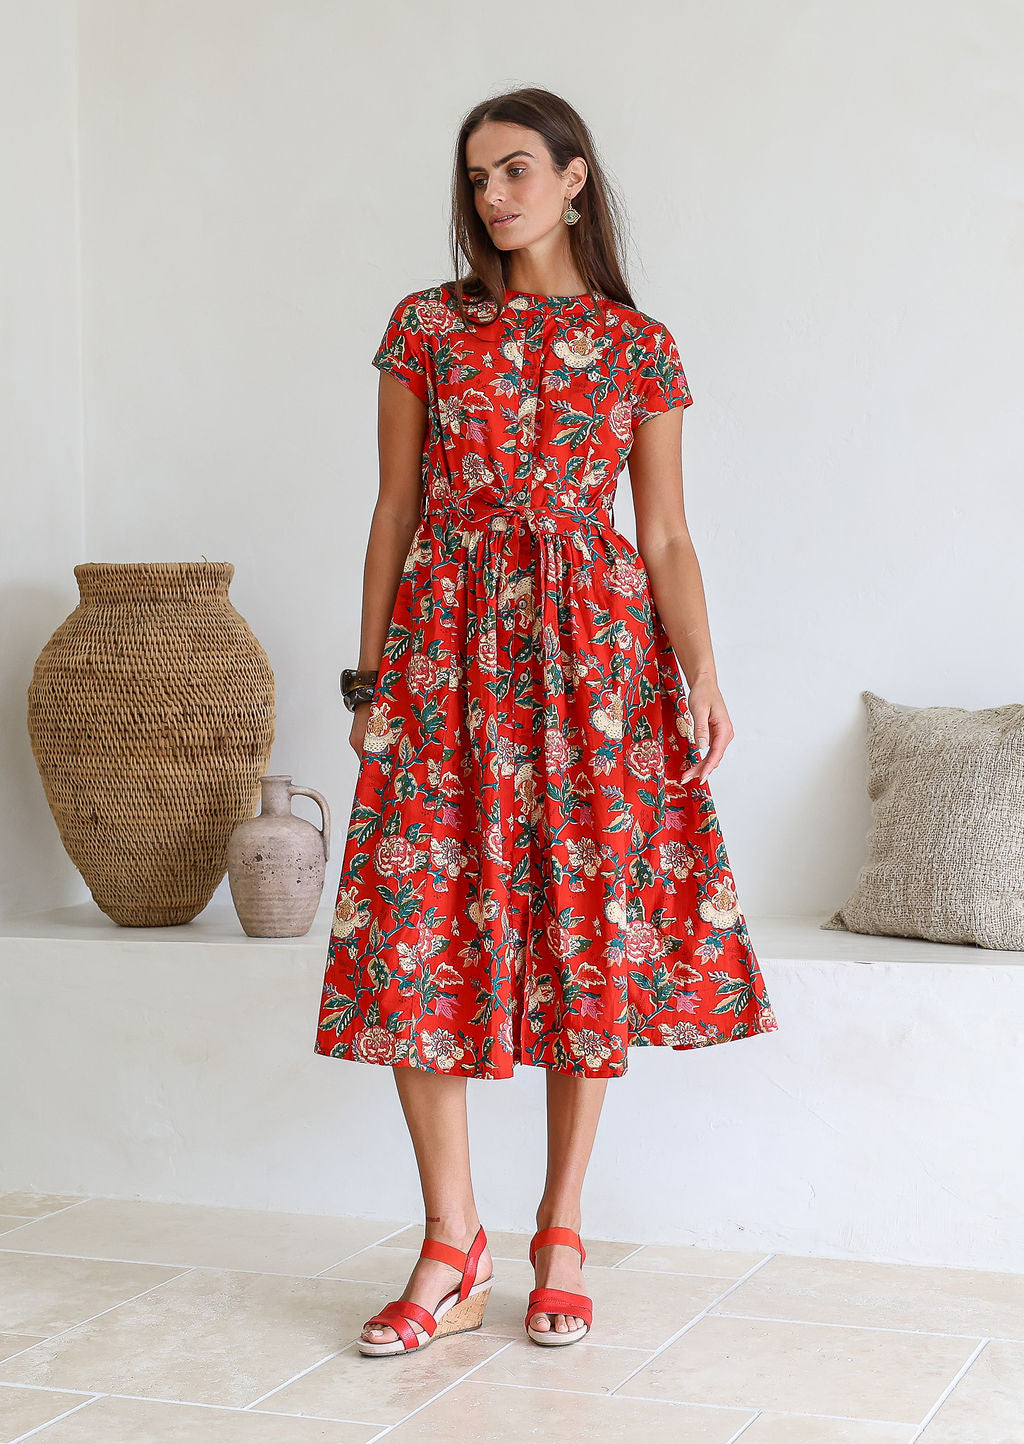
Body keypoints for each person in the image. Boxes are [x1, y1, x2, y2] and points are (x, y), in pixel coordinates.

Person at [314, 86, 779, 1357]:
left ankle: (558, 1229)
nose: (493, 196)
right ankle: (448, 1243)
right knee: (421, 930)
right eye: (476, 179)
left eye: (516, 170)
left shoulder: (639, 346)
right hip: (445, 657)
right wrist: (369, 684)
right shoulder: (426, 329)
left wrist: (701, 670)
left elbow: (667, 532)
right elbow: (394, 512)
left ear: (576, 178)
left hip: (592, 662)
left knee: (587, 930)